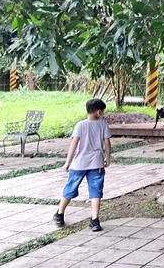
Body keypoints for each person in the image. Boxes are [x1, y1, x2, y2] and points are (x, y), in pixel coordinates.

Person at [53, 98, 111, 232]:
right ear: (98, 111)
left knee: (70, 188)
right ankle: (94, 220)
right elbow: (107, 143)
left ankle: (60, 214)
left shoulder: (80, 125)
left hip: (79, 164)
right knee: (96, 191)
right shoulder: (103, 125)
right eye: (102, 111)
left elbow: (74, 143)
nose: (102, 113)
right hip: (97, 164)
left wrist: (67, 162)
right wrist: (107, 159)